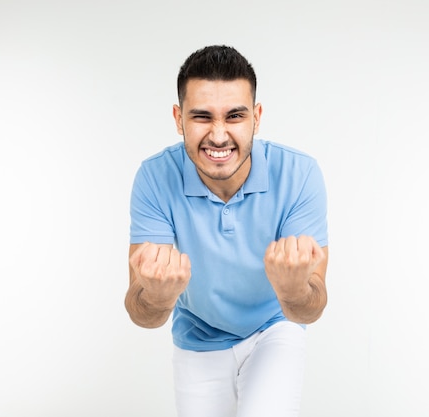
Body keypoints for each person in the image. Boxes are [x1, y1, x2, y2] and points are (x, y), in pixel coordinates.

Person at [125, 45, 328, 417]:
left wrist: (293, 289)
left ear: (257, 117)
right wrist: (157, 297)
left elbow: (311, 307)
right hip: (198, 337)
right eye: (202, 116)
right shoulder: (153, 178)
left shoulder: (300, 175)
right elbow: (141, 312)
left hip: (273, 327)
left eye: (234, 116)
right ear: (178, 118)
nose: (218, 136)